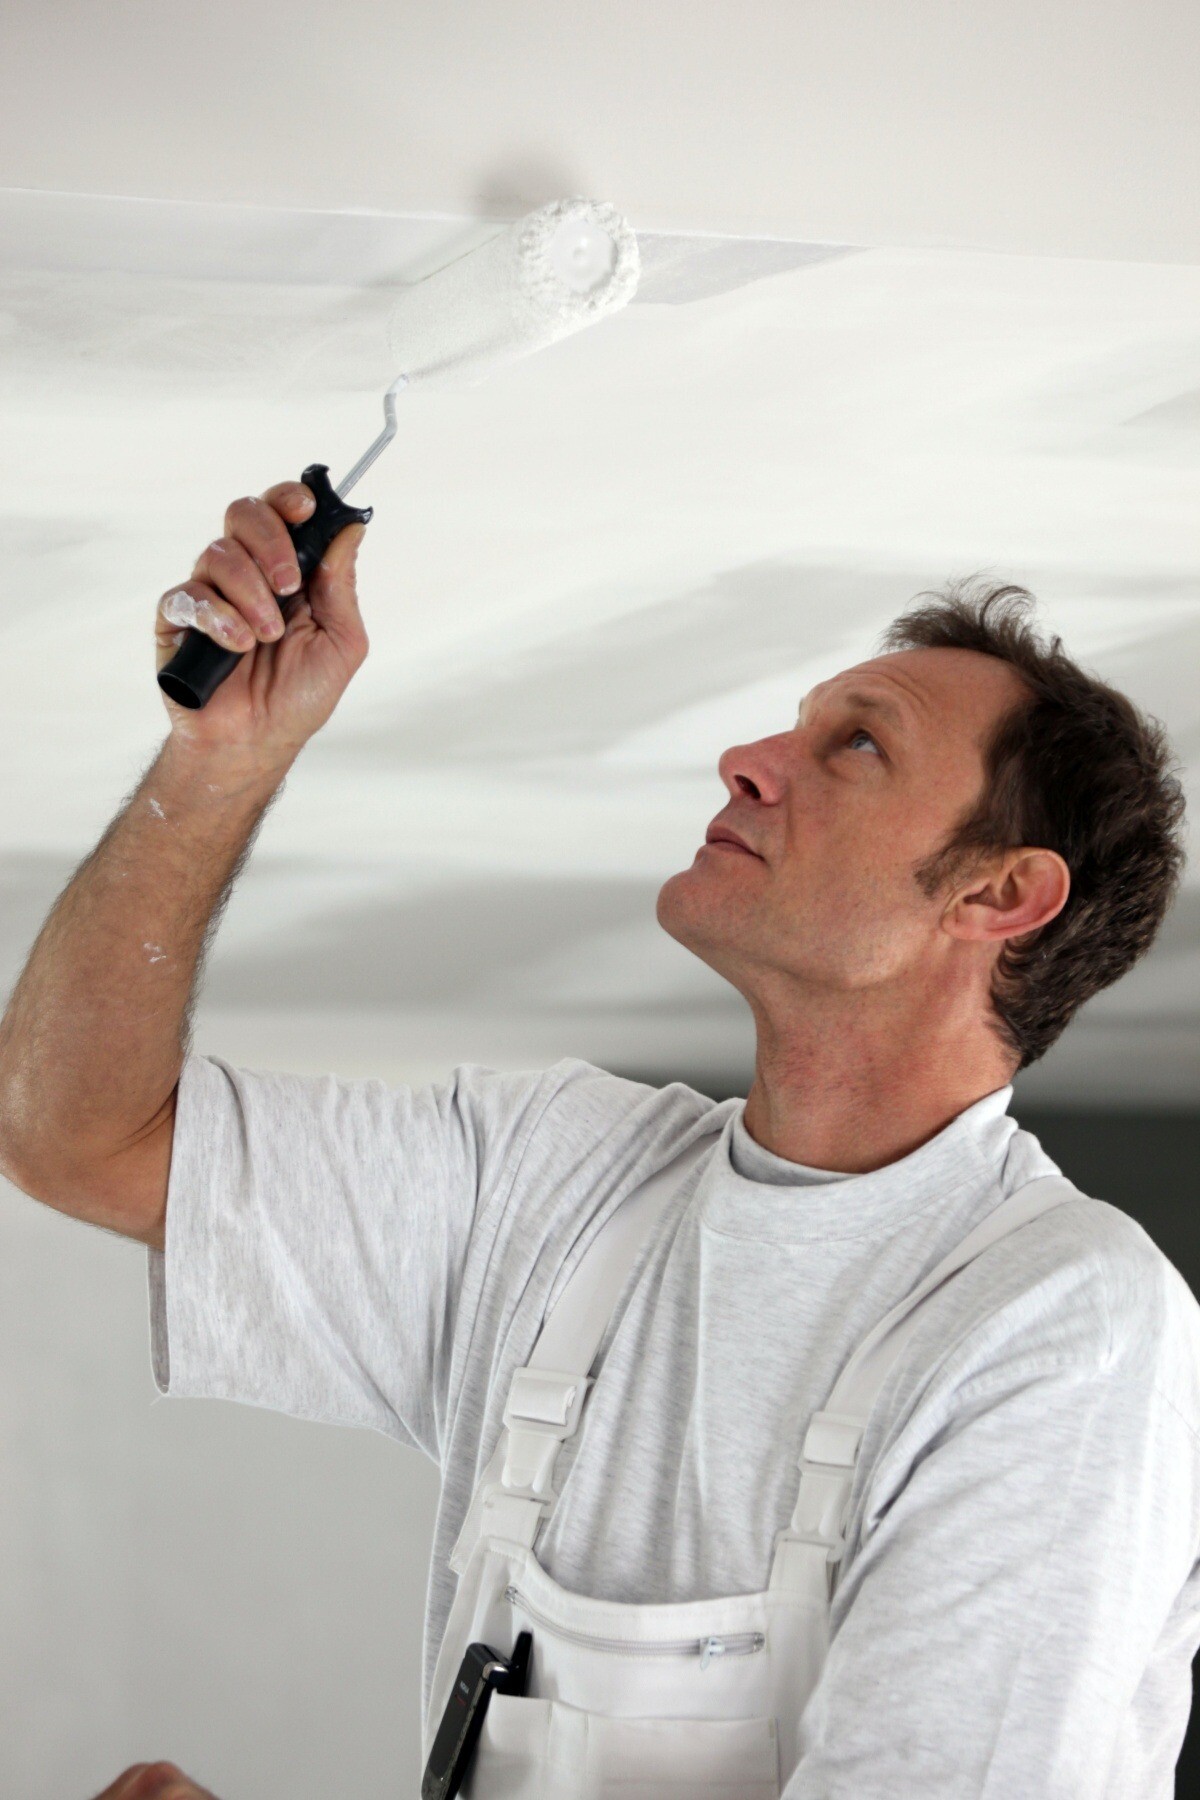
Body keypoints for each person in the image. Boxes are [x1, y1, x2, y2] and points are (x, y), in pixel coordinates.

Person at [0, 482, 1195, 1799]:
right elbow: (76, 1133)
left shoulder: (1059, 1324)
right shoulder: (556, 1180)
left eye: (858, 746)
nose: (748, 758)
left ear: (999, 893)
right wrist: (215, 765)